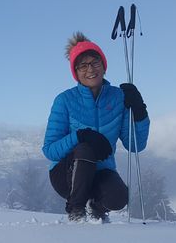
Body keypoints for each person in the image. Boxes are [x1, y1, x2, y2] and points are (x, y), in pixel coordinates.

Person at [42, 32, 150, 222]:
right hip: (67, 176)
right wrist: (80, 136)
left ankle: (97, 208)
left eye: (95, 62)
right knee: (85, 149)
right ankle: (76, 210)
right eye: (82, 65)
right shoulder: (65, 100)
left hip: (101, 172)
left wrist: (140, 112)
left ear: (104, 65)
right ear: (75, 72)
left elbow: (135, 146)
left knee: (118, 198)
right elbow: (50, 150)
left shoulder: (118, 97)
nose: (90, 69)